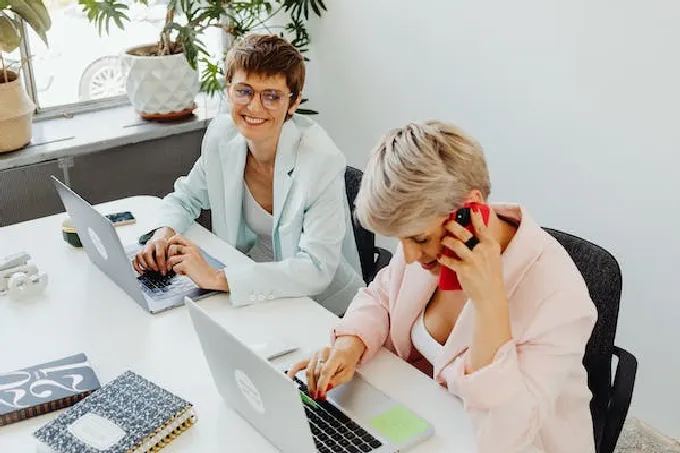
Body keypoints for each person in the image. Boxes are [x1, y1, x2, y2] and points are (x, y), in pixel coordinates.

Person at [288, 120, 598, 453]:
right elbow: (381, 297)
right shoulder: (426, 244)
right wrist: (349, 346)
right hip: (425, 423)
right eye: (401, 239)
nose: (408, 255)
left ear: (469, 209)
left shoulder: (559, 296)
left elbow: (506, 436)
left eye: (420, 238)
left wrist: (489, 302)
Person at [132, 34, 364, 315]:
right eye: (244, 91)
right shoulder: (221, 136)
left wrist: (218, 278)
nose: (254, 106)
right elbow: (185, 198)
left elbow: (316, 269)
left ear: (293, 102)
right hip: (252, 280)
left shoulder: (321, 160)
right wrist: (162, 235)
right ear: (228, 90)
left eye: (271, 96)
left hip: (321, 307)